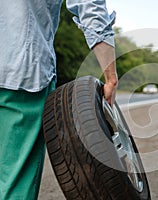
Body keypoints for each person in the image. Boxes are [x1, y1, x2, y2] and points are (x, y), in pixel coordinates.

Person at [0, 0, 117, 199]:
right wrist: (110, 75)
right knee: (14, 184)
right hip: (20, 72)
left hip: (17, 71)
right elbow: (88, 5)